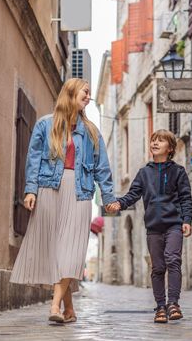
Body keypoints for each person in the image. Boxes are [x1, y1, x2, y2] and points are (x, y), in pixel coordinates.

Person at [10, 78, 116, 323]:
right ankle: (69, 309)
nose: (88, 96)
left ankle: (54, 307)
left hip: (80, 192)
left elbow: (102, 168)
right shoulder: (45, 125)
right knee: (55, 253)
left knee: (71, 252)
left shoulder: (91, 131)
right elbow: (33, 159)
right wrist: (31, 191)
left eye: (90, 93)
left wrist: (108, 198)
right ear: (70, 92)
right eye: (85, 92)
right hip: (49, 188)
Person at [107, 129, 192, 323]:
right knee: (157, 268)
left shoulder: (178, 172)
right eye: (153, 140)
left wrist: (186, 220)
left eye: (160, 141)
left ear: (170, 148)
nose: (154, 143)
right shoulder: (144, 173)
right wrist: (119, 203)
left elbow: (186, 198)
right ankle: (160, 307)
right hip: (154, 227)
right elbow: (133, 194)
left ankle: (173, 304)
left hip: (174, 225)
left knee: (173, 260)